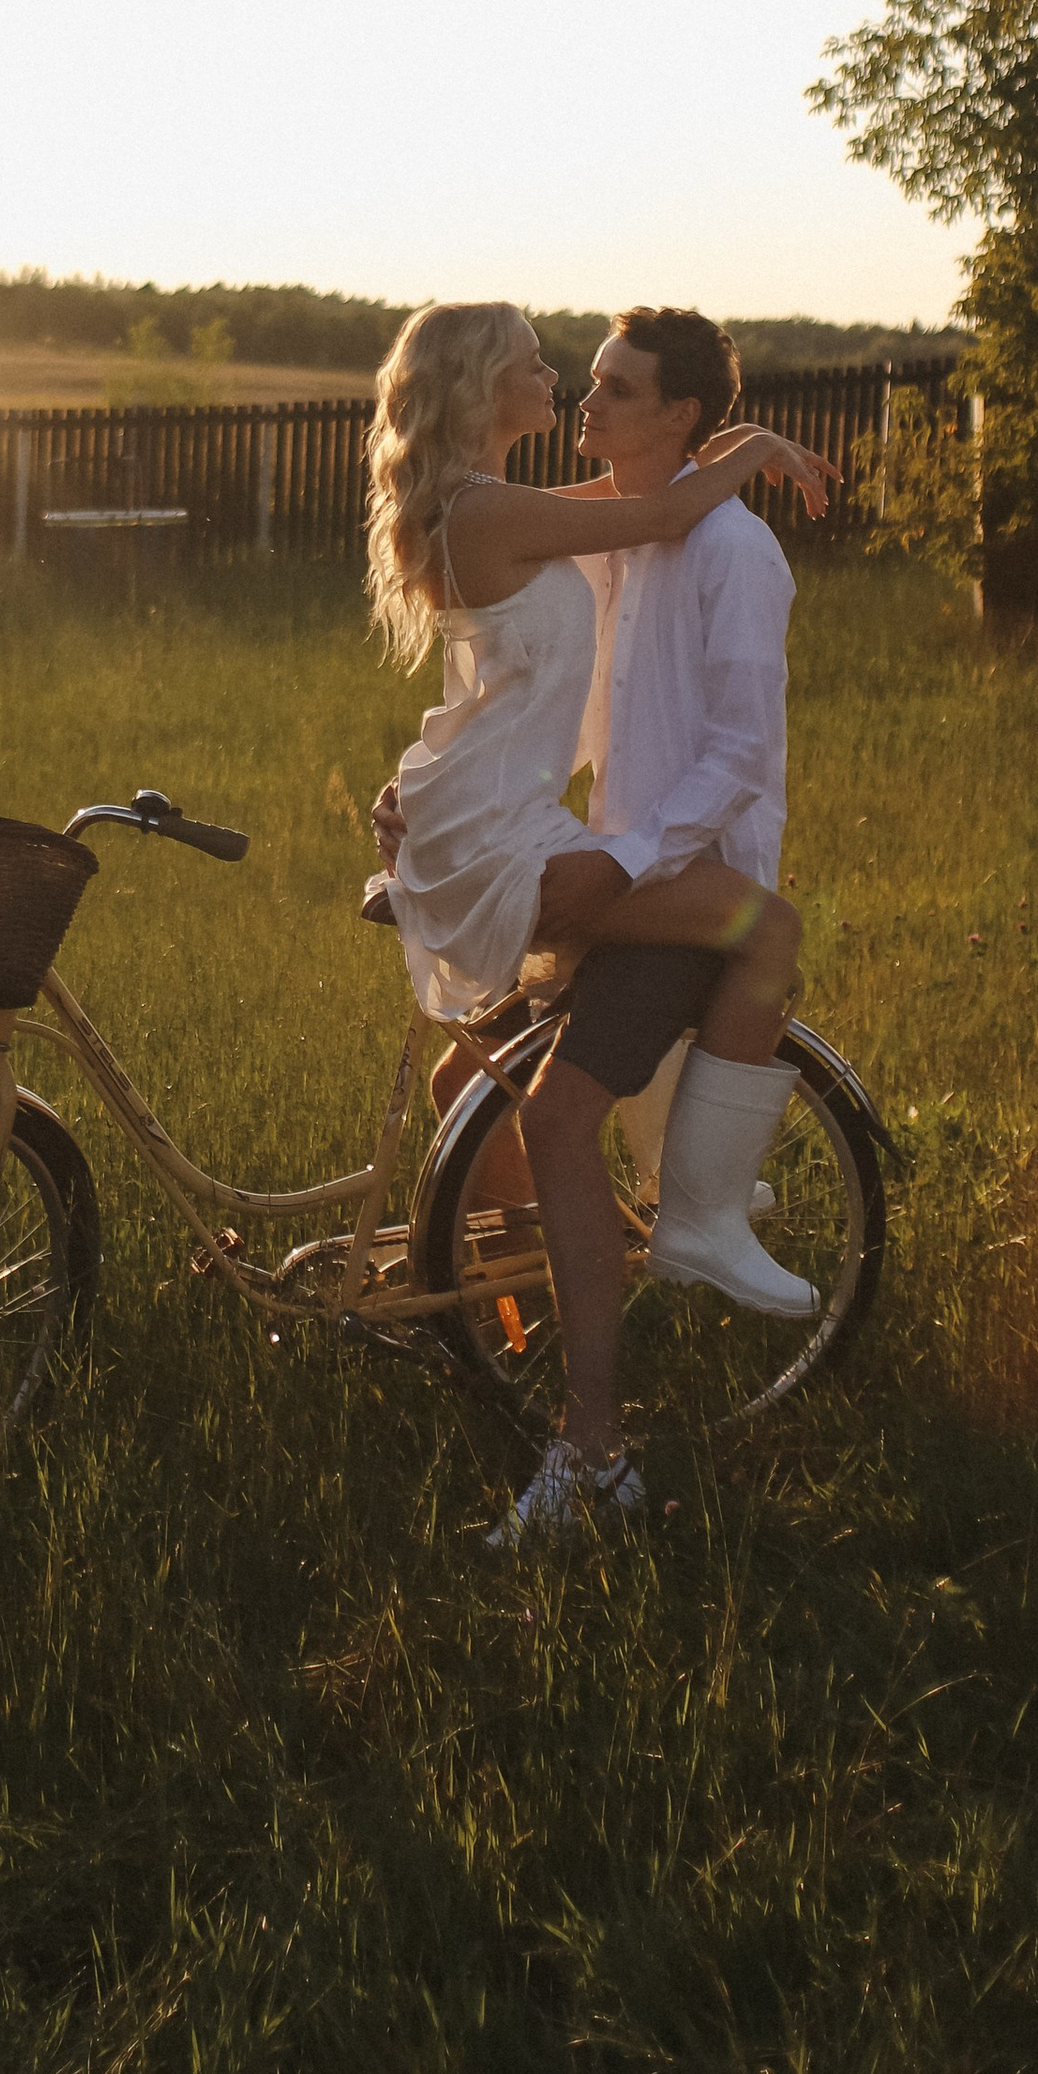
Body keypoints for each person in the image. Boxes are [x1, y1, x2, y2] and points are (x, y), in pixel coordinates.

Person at [363, 302, 829, 1548]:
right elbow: (563, 704)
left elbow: (730, 749)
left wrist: (612, 855)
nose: (580, 395)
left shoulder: (728, 556)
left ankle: (675, 1262)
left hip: (639, 869)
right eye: (566, 374)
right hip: (578, 857)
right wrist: (755, 441)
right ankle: (597, 1315)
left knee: (584, 1079)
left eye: (615, 387)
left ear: (678, 412)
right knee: (553, 1089)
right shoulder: (591, 530)